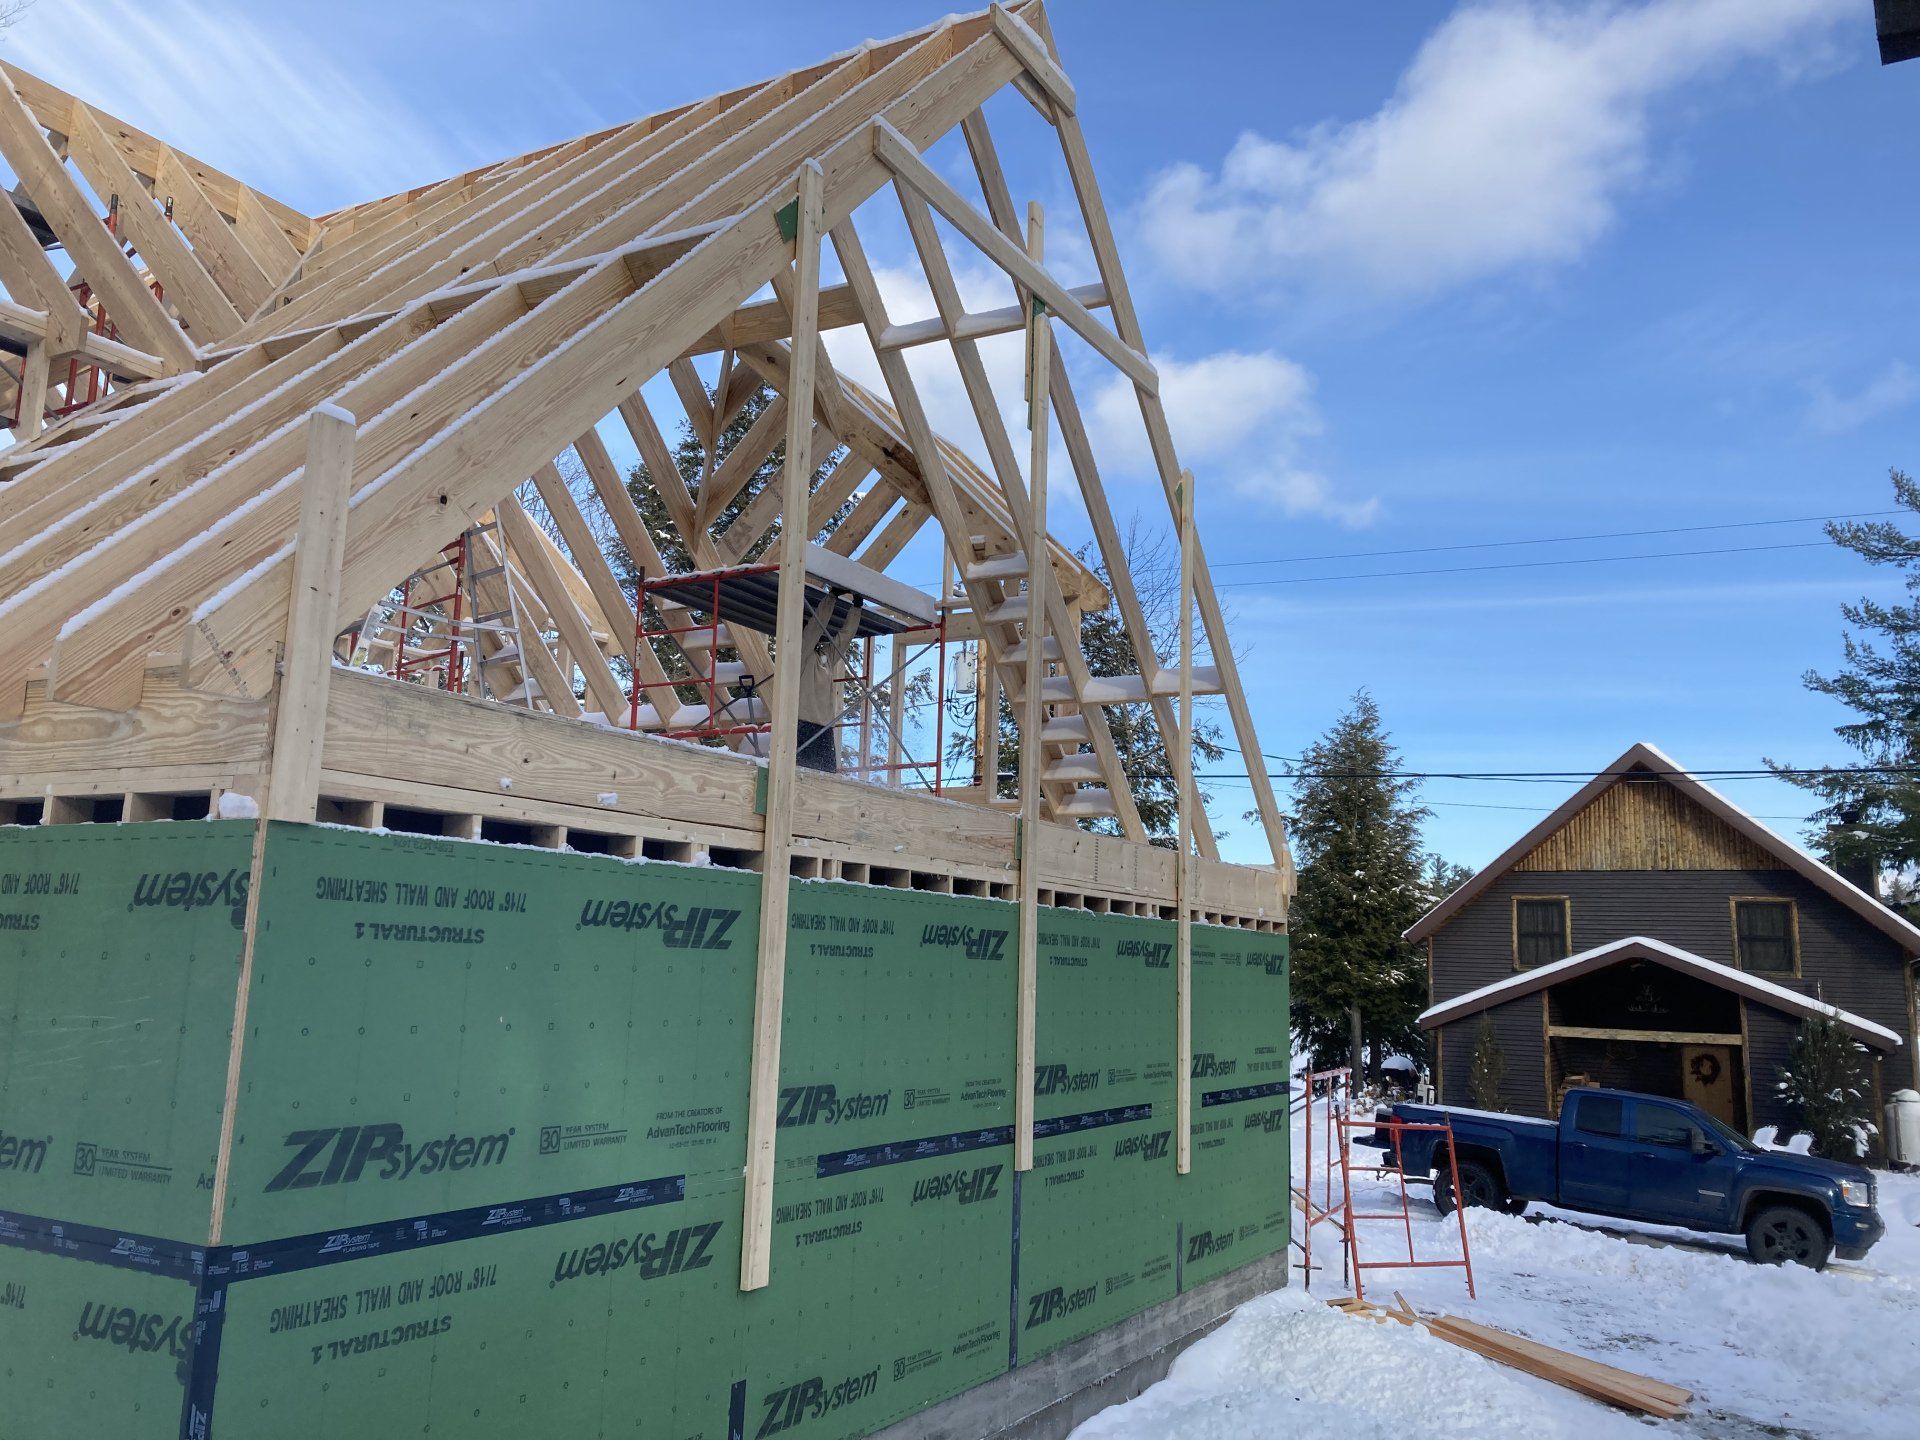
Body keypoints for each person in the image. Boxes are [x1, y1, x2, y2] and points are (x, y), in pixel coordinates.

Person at [794, 590, 863, 773]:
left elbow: (844, 639)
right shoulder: (799, 655)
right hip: (802, 725)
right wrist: (831, 597)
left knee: (827, 778)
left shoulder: (825, 657)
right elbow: (816, 627)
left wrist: (856, 609)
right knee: (800, 776)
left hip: (823, 729)